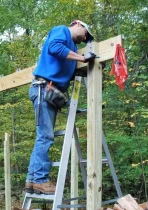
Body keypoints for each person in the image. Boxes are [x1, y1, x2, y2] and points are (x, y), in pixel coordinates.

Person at [25, 20, 95, 195]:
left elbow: (66, 72)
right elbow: (54, 48)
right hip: (44, 89)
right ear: (78, 24)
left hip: (52, 94)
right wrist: (82, 58)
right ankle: (41, 180)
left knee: (43, 137)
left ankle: (32, 180)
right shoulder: (62, 31)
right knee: (45, 137)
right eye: (86, 33)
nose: (85, 39)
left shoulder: (71, 51)